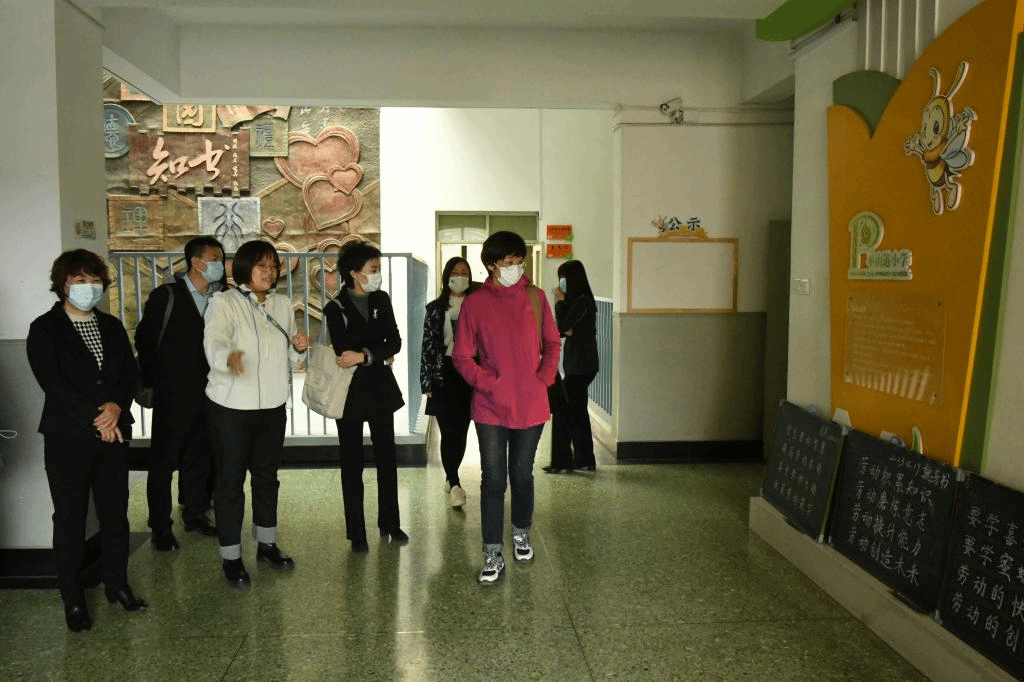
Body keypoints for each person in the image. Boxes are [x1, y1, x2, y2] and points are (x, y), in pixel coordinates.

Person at [27, 249, 147, 632]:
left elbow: (130, 375)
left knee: (115, 514)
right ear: (63, 285)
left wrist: (115, 406)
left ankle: (117, 585)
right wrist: (98, 417)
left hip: (114, 434)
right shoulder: (45, 328)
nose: (88, 286)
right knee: (69, 519)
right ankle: (73, 599)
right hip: (68, 438)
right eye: (80, 280)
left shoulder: (110, 326)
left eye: (94, 280)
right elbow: (53, 384)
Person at [452, 231, 561, 583]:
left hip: (531, 404)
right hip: (490, 407)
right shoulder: (475, 304)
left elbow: (552, 344)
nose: (515, 268)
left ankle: (520, 532)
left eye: (519, 262)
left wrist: (543, 378)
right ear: (491, 265)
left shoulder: (536, 297)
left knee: (523, 475)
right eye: (508, 262)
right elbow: (461, 356)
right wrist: (489, 383)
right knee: (494, 479)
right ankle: (492, 551)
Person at [203, 240, 309, 588]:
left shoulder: (282, 305)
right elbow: (214, 342)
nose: (269, 272)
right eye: (261, 265)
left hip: (272, 406)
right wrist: (227, 358)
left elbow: (289, 355)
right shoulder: (224, 302)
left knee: (267, 477)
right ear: (244, 269)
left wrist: (298, 349)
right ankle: (231, 557)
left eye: (273, 265)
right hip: (231, 407)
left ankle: (267, 544)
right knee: (230, 482)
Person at [135, 236, 225, 551]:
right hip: (172, 394)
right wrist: (153, 381)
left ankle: (196, 513)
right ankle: (160, 526)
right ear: (196, 262)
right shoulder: (167, 296)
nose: (219, 265)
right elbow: (146, 341)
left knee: (200, 457)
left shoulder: (221, 296)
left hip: (211, 392)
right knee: (163, 462)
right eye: (214, 259)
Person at [325, 242, 407, 553]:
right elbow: (341, 351)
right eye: (373, 269)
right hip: (348, 394)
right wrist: (376, 353)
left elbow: (395, 341)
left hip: (381, 391)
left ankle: (390, 523)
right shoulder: (335, 308)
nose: (377, 275)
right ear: (354, 273)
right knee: (352, 463)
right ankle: (357, 533)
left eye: (378, 269)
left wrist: (364, 356)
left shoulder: (381, 299)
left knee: (387, 458)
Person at [420, 256, 478, 508]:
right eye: (455, 272)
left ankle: (451, 477)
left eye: (464, 272)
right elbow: (427, 347)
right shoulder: (435, 308)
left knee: (461, 429)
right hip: (444, 372)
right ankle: (454, 482)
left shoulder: (478, 304)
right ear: (446, 276)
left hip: (470, 372)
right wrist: (426, 382)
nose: (460, 276)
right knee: (447, 429)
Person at [546, 259, 599, 472]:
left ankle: (561, 461)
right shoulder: (578, 301)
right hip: (579, 365)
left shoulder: (582, 302)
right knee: (577, 412)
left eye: (564, 278)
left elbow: (563, 326)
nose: (561, 282)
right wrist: (565, 320)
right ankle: (584, 459)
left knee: (562, 410)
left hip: (581, 367)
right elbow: (564, 331)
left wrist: (560, 302)